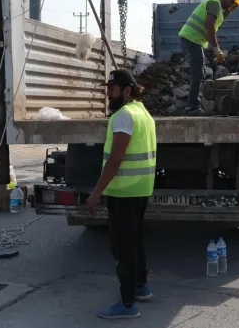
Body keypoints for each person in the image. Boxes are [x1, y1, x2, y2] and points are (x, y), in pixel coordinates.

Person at [86, 69, 157, 320]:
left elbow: (115, 161)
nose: (109, 94)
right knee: (135, 241)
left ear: (127, 90)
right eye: (108, 89)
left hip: (124, 191)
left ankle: (127, 304)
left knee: (123, 248)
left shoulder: (123, 116)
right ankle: (141, 287)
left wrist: (96, 192)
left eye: (113, 89)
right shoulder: (143, 113)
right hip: (140, 188)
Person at [177, 0, 239, 115]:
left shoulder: (216, 5)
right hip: (191, 40)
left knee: (199, 72)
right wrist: (216, 49)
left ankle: (192, 105)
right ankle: (193, 107)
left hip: (193, 40)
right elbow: (210, 27)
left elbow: (218, 20)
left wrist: (229, 11)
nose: (232, 3)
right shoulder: (214, 3)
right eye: (233, 0)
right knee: (198, 73)